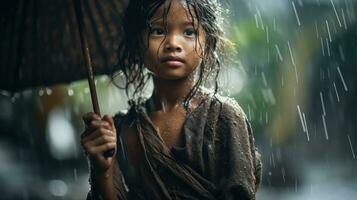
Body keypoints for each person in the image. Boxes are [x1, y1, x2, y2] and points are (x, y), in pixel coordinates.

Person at [80, 0, 262, 199]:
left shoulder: (223, 117)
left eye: (189, 32)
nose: (173, 43)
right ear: (137, 42)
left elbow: (240, 193)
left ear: (208, 42)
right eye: (157, 30)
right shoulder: (124, 130)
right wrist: (103, 171)